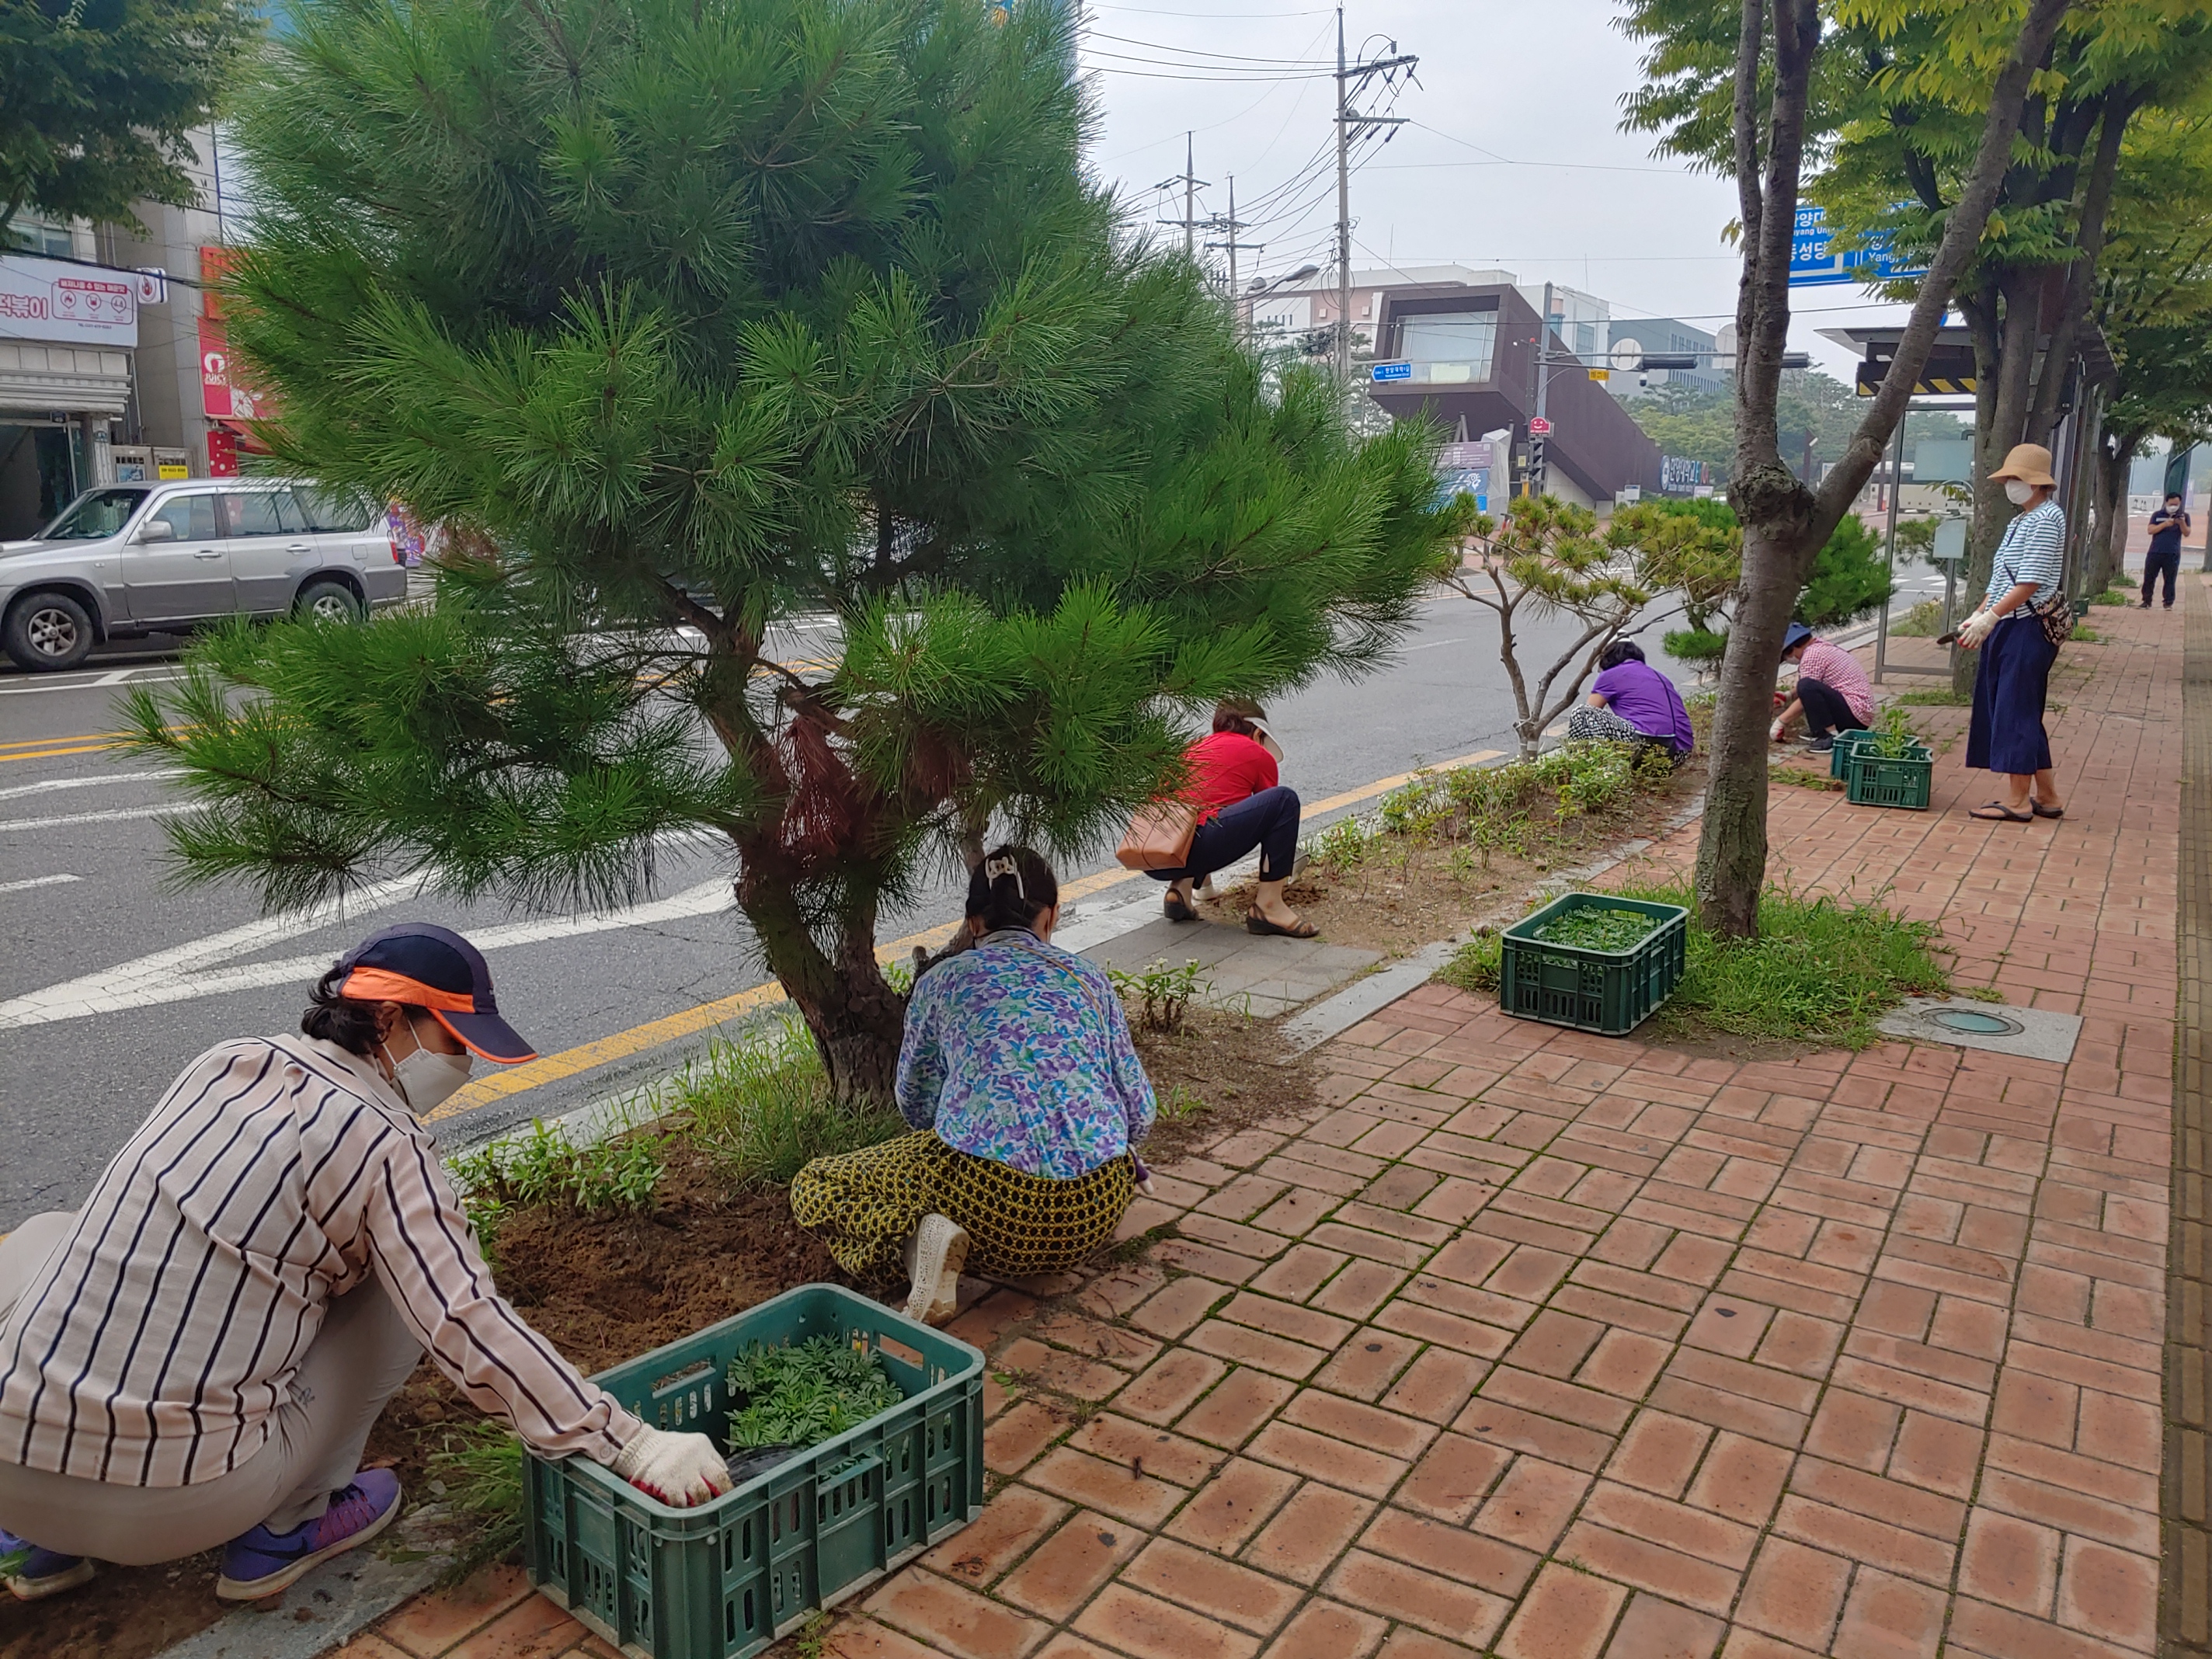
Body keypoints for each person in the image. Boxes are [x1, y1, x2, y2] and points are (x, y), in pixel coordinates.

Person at [0, 923, 730, 1605]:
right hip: (172, 1508)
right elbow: (464, 1319)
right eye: (452, 1038)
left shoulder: (225, 1062)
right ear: (387, 1019)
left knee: (49, 1234)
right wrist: (632, 1444)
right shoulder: (388, 1147)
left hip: (8, 1470)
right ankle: (282, 1531)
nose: (461, 1065)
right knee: (400, 1296)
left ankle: (35, 1545)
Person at [789, 847, 1155, 1327]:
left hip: (994, 1212)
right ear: (1053, 914)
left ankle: (917, 1244)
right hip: (1096, 1204)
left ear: (973, 923)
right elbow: (1140, 1112)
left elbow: (916, 1105)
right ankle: (944, 1240)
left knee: (815, 1184)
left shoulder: (942, 982)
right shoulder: (1089, 980)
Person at [1960, 443, 2068, 823]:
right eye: (2008, 478)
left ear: (2037, 483)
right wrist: (1980, 614)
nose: (2009, 484)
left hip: (2027, 626)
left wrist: (1991, 618)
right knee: (2021, 709)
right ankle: (2048, 796)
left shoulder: (2046, 519)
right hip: (2009, 622)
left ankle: (2018, 800)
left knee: (2015, 710)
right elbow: (2002, 577)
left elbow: (2030, 582)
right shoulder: (2021, 520)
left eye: (2016, 478)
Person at [1149, 698, 1316, 938]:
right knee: (1283, 800)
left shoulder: (1192, 748)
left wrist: (1205, 889)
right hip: (1200, 844)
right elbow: (1270, 819)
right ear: (1259, 733)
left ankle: (1180, 892)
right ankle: (1269, 906)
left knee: (1199, 810)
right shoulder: (1257, 753)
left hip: (1155, 856)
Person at [1567, 640, 1694, 758]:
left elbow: (1591, 710)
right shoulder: (1658, 675)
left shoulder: (1611, 674)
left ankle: (1589, 767)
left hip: (1644, 742)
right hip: (1678, 752)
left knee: (1582, 714)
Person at [1771, 623, 1875, 752]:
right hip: (1859, 713)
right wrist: (1788, 696)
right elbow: (1814, 683)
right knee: (1807, 686)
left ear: (1794, 648)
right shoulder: (1820, 646)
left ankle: (1829, 736)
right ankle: (1820, 730)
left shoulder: (1811, 656)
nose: (1789, 659)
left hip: (1854, 716)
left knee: (1806, 686)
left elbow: (1807, 692)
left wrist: (1781, 722)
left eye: (1787, 656)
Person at [2144, 492, 2190, 610]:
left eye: (2177, 504)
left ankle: (2168, 602)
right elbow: (2150, 530)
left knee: (2170, 578)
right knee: (2149, 577)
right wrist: (2165, 524)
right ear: (2166, 503)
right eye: (2171, 504)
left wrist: (2182, 523)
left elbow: (2187, 533)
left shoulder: (2184, 516)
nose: (2174, 506)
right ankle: (2146, 600)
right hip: (2155, 551)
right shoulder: (2157, 515)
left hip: (2172, 552)